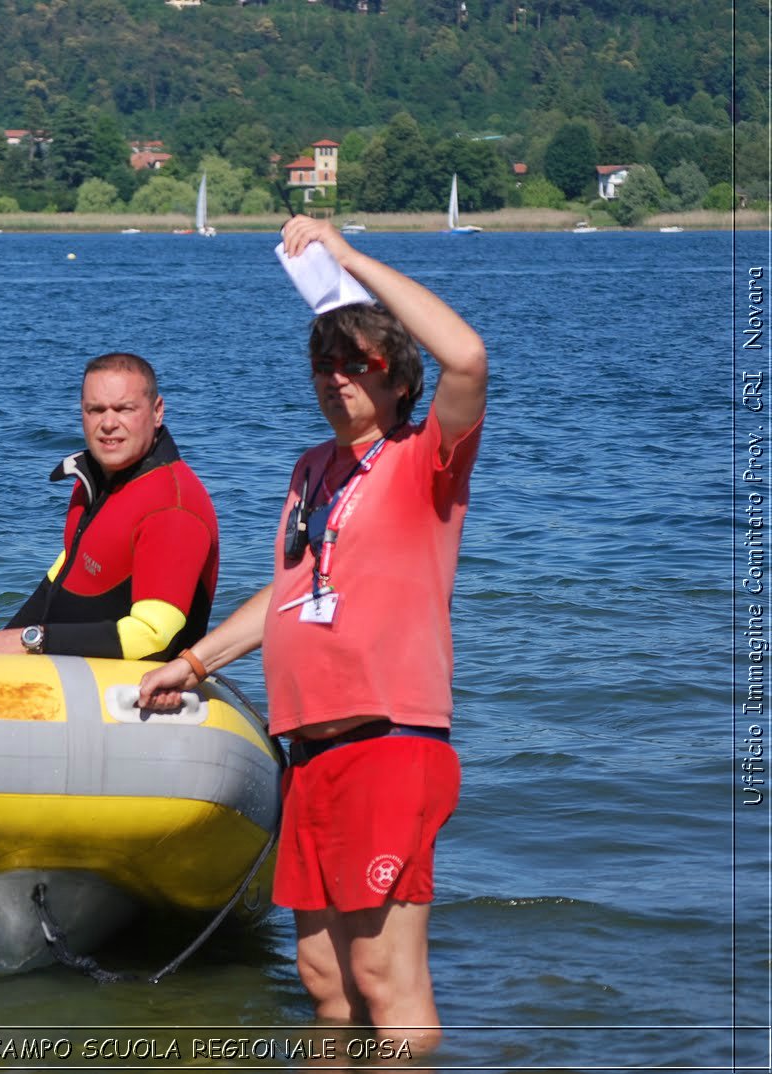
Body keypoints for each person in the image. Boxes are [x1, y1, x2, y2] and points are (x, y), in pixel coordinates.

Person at [139, 216, 487, 1055]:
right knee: (327, 984)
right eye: (323, 365)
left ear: (397, 378)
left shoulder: (423, 459)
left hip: (389, 741)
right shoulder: (310, 470)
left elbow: (468, 357)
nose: (336, 380)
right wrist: (192, 662)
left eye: (358, 365)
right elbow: (294, 594)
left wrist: (348, 258)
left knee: (384, 979)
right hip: (310, 753)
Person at [0, 352, 219, 660]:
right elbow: (64, 573)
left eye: (124, 409)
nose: (108, 423)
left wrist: (31, 640)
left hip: (132, 693)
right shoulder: (91, 478)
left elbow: (152, 635)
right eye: (95, 410)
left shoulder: (172, 507)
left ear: (157, 412)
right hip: (66, 669)